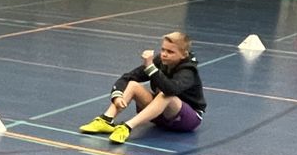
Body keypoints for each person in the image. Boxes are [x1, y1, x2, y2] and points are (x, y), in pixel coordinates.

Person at [79, 31, 207, 144]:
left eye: (170, 52)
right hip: (160, 116)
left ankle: (127, 127)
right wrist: (117, 95)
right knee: (133, 85)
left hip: (186, 121)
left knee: (166, 95)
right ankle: (107, 119)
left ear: (184, 55)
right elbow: (128, 77)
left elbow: (171, 89)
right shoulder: (160, 61)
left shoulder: (188, 71)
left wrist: (150, 68)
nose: (164, 54)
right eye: (163, 50)